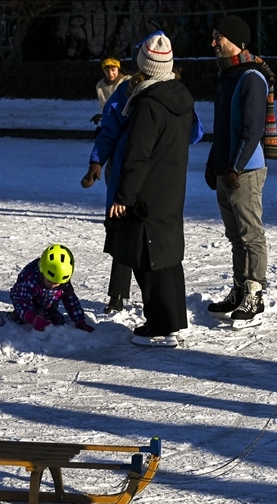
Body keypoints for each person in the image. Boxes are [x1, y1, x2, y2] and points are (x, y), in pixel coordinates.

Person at [82, 34, 204, 316]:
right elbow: (110, 129)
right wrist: (97, 161)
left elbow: (190, 132)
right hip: (134, 173)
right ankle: (118, 295)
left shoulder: (161, 98)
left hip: (142, 175)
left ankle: (162, 316)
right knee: (125, 233)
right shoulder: (131, 92)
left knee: (136, 236)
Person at [107, 33, 196, 348]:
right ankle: (175, 321)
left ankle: (160, 325)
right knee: (167, 255)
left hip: (148, 190)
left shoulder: (147, 102)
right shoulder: (180, 96)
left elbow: (138, 155)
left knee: (146, 257)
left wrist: (123, 196)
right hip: (171, 186)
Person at [205, 15, 277, 327]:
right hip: (227, 169)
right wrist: (213, 163)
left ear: (234, 39)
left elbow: (251, 129)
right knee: (236, 236)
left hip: (245, 171)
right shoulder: (228, 75)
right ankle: (239, 290)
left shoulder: (251, 77)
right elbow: (223, 128)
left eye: (218, 36)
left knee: (251, 235)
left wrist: (235, 167)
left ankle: (255, 294)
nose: (213, 43)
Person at [4, 245, 94, 332]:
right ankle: (10, 317)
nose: (53, 286)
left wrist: (79, 321)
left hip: (48, 309)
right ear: (42, 273)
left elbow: (71, 301)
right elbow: (20, 299)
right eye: (49, 281)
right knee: (21, 318)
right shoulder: (31, 281)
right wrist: (32, 317)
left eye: (57, 283)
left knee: (57, 321)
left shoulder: (63, 283)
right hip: (29, 307)